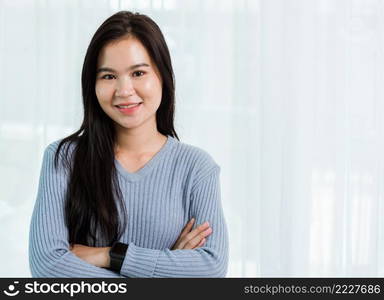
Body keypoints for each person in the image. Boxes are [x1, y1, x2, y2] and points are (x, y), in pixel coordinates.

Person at [28, 11, 228, 278]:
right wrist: (169, 269)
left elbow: (211, 270)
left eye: (138, 73)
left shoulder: (196, 167)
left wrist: (110, 255)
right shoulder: (63, 158)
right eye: (109, 76)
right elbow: (47, 267)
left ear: (162, 76)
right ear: (93, 85)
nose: (124, 90)